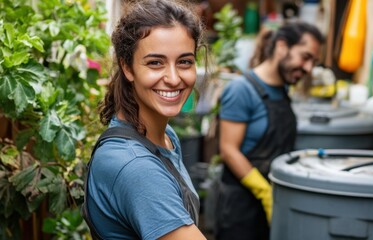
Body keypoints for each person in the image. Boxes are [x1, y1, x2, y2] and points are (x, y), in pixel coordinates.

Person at [82, 0, 208, 239]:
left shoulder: (164, 135)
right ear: (127, 68)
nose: (173, 78)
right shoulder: (136, 166)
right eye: (155, 63)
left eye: (184, 62)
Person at [216, 21, 324, 240]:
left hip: (277, 205)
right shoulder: (241, 90)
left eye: (313, 61)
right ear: (282, 46)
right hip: (241, 211)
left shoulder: (282, 90)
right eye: (305, 57)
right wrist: (264, 192)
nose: (309, 68)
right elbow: (228, 150)